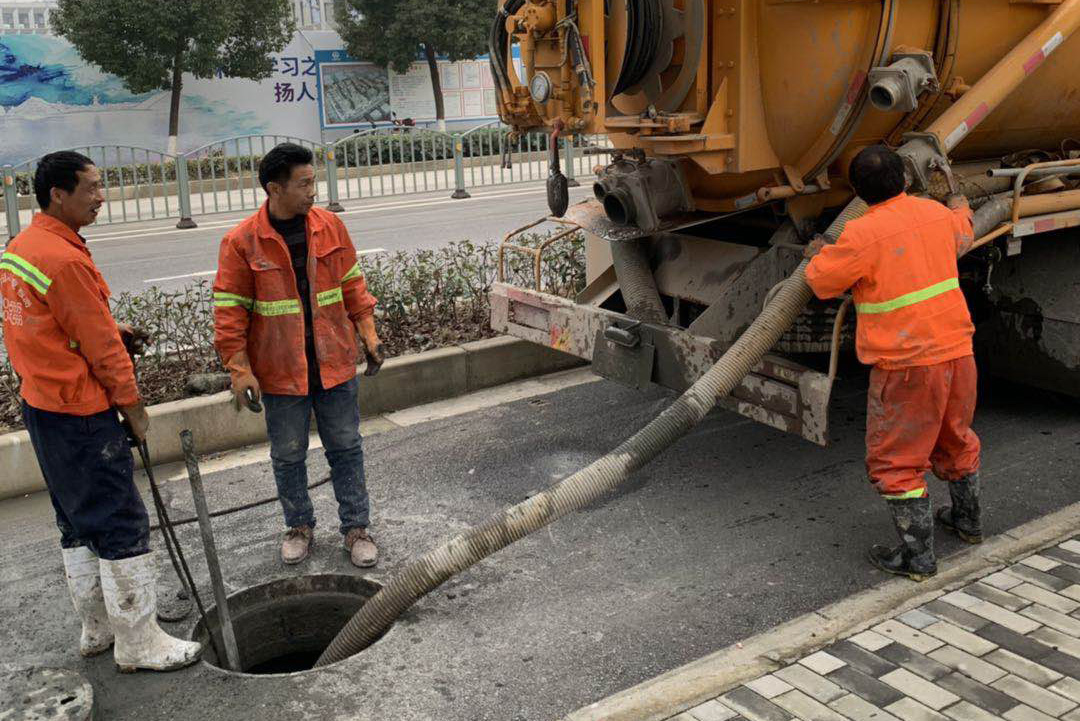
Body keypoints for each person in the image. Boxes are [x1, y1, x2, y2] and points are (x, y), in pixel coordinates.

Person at [1, 151, 202, 670]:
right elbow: (102, 352)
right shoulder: (65, 259)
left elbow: (54, 325)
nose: (100, 196)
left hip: (43, 405)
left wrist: (112, 328)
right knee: (119, 521)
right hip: (82, 413)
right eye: (90, 187)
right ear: (57, 195)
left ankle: (97, 628)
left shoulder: (23, 247)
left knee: (74, 519)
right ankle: (140, 643)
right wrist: (133, 408)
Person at [804, 144, 982, 582]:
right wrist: (958, 200)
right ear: (904, 179)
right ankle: (969, 522)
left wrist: (814, 252)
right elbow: (964, 229)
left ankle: (918, 557)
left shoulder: (861, 234)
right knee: (956, 438)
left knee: (898, 461)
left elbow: (822, 283)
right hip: (958, 352)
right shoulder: (936, 214)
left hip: (908, 365)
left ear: (858, 194)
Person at [212, 143, 385, 568]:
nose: (314, 191)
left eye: (314, 181)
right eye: (304, 184)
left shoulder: (330, 227)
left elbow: (352, 285)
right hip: (280, 372)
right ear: (275, 188)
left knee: (346, 446)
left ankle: (356, 528)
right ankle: (299, 525)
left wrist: (369, 333)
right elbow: (229, 312)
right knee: (288, 453)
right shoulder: (241, 242)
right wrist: (240, 371)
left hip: (334, 365)